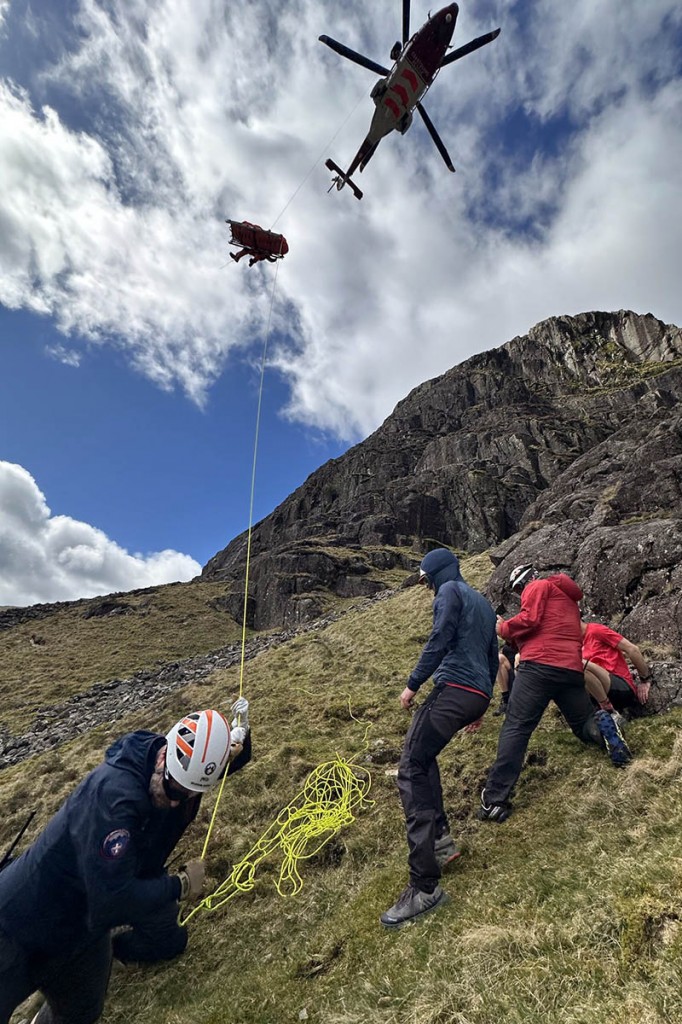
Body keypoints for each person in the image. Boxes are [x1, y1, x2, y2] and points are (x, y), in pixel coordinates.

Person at [0, 700, 251, 1024]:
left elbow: (220, 762)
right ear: (164, 755)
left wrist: (242, 732)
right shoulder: (113, 799)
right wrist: (181, 885)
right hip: (18, 926)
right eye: (172, 787)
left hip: (83, 931)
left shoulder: (185, 770)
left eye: (186, 794)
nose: (174, 800)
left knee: (81, 1011)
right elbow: (112, 901)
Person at [380, 548, 498, 929]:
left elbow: (440, 637)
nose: (426, 586)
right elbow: (493, 657)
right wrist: (482, 705)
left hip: (453, 688)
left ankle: (424, 886)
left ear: (435, 574)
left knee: (410, 767)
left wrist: (412, 685)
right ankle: (442, 841)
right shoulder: (482, 602)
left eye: (425, 579)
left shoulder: (449, 591)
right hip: (475, 694)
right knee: (424, 758)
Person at [478, 564, 632, 824]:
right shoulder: (569, 602)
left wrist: (503, 628)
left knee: (516, 727)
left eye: (518, 588)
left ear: (526, 580)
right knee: (583, 723)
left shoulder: (538, 586)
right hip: (570, 670)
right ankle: (605, 729)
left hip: (538, 668)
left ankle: (494, 799)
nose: (519, 593)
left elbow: (530, 620)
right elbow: (542, 628)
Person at [582, 619, 653, 716]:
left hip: (620, 688)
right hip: (595, 694)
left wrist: (645, 680)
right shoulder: (573, 644)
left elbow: (632, 649)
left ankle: (607, 708)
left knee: (579, 663)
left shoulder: (595, 630)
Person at [492, 642, 518, 716]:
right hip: (511, 674)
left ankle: (518, 700)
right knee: (499, 658)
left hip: (525, 675)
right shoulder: (507, 644)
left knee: (518, 657)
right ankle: (506, 700)